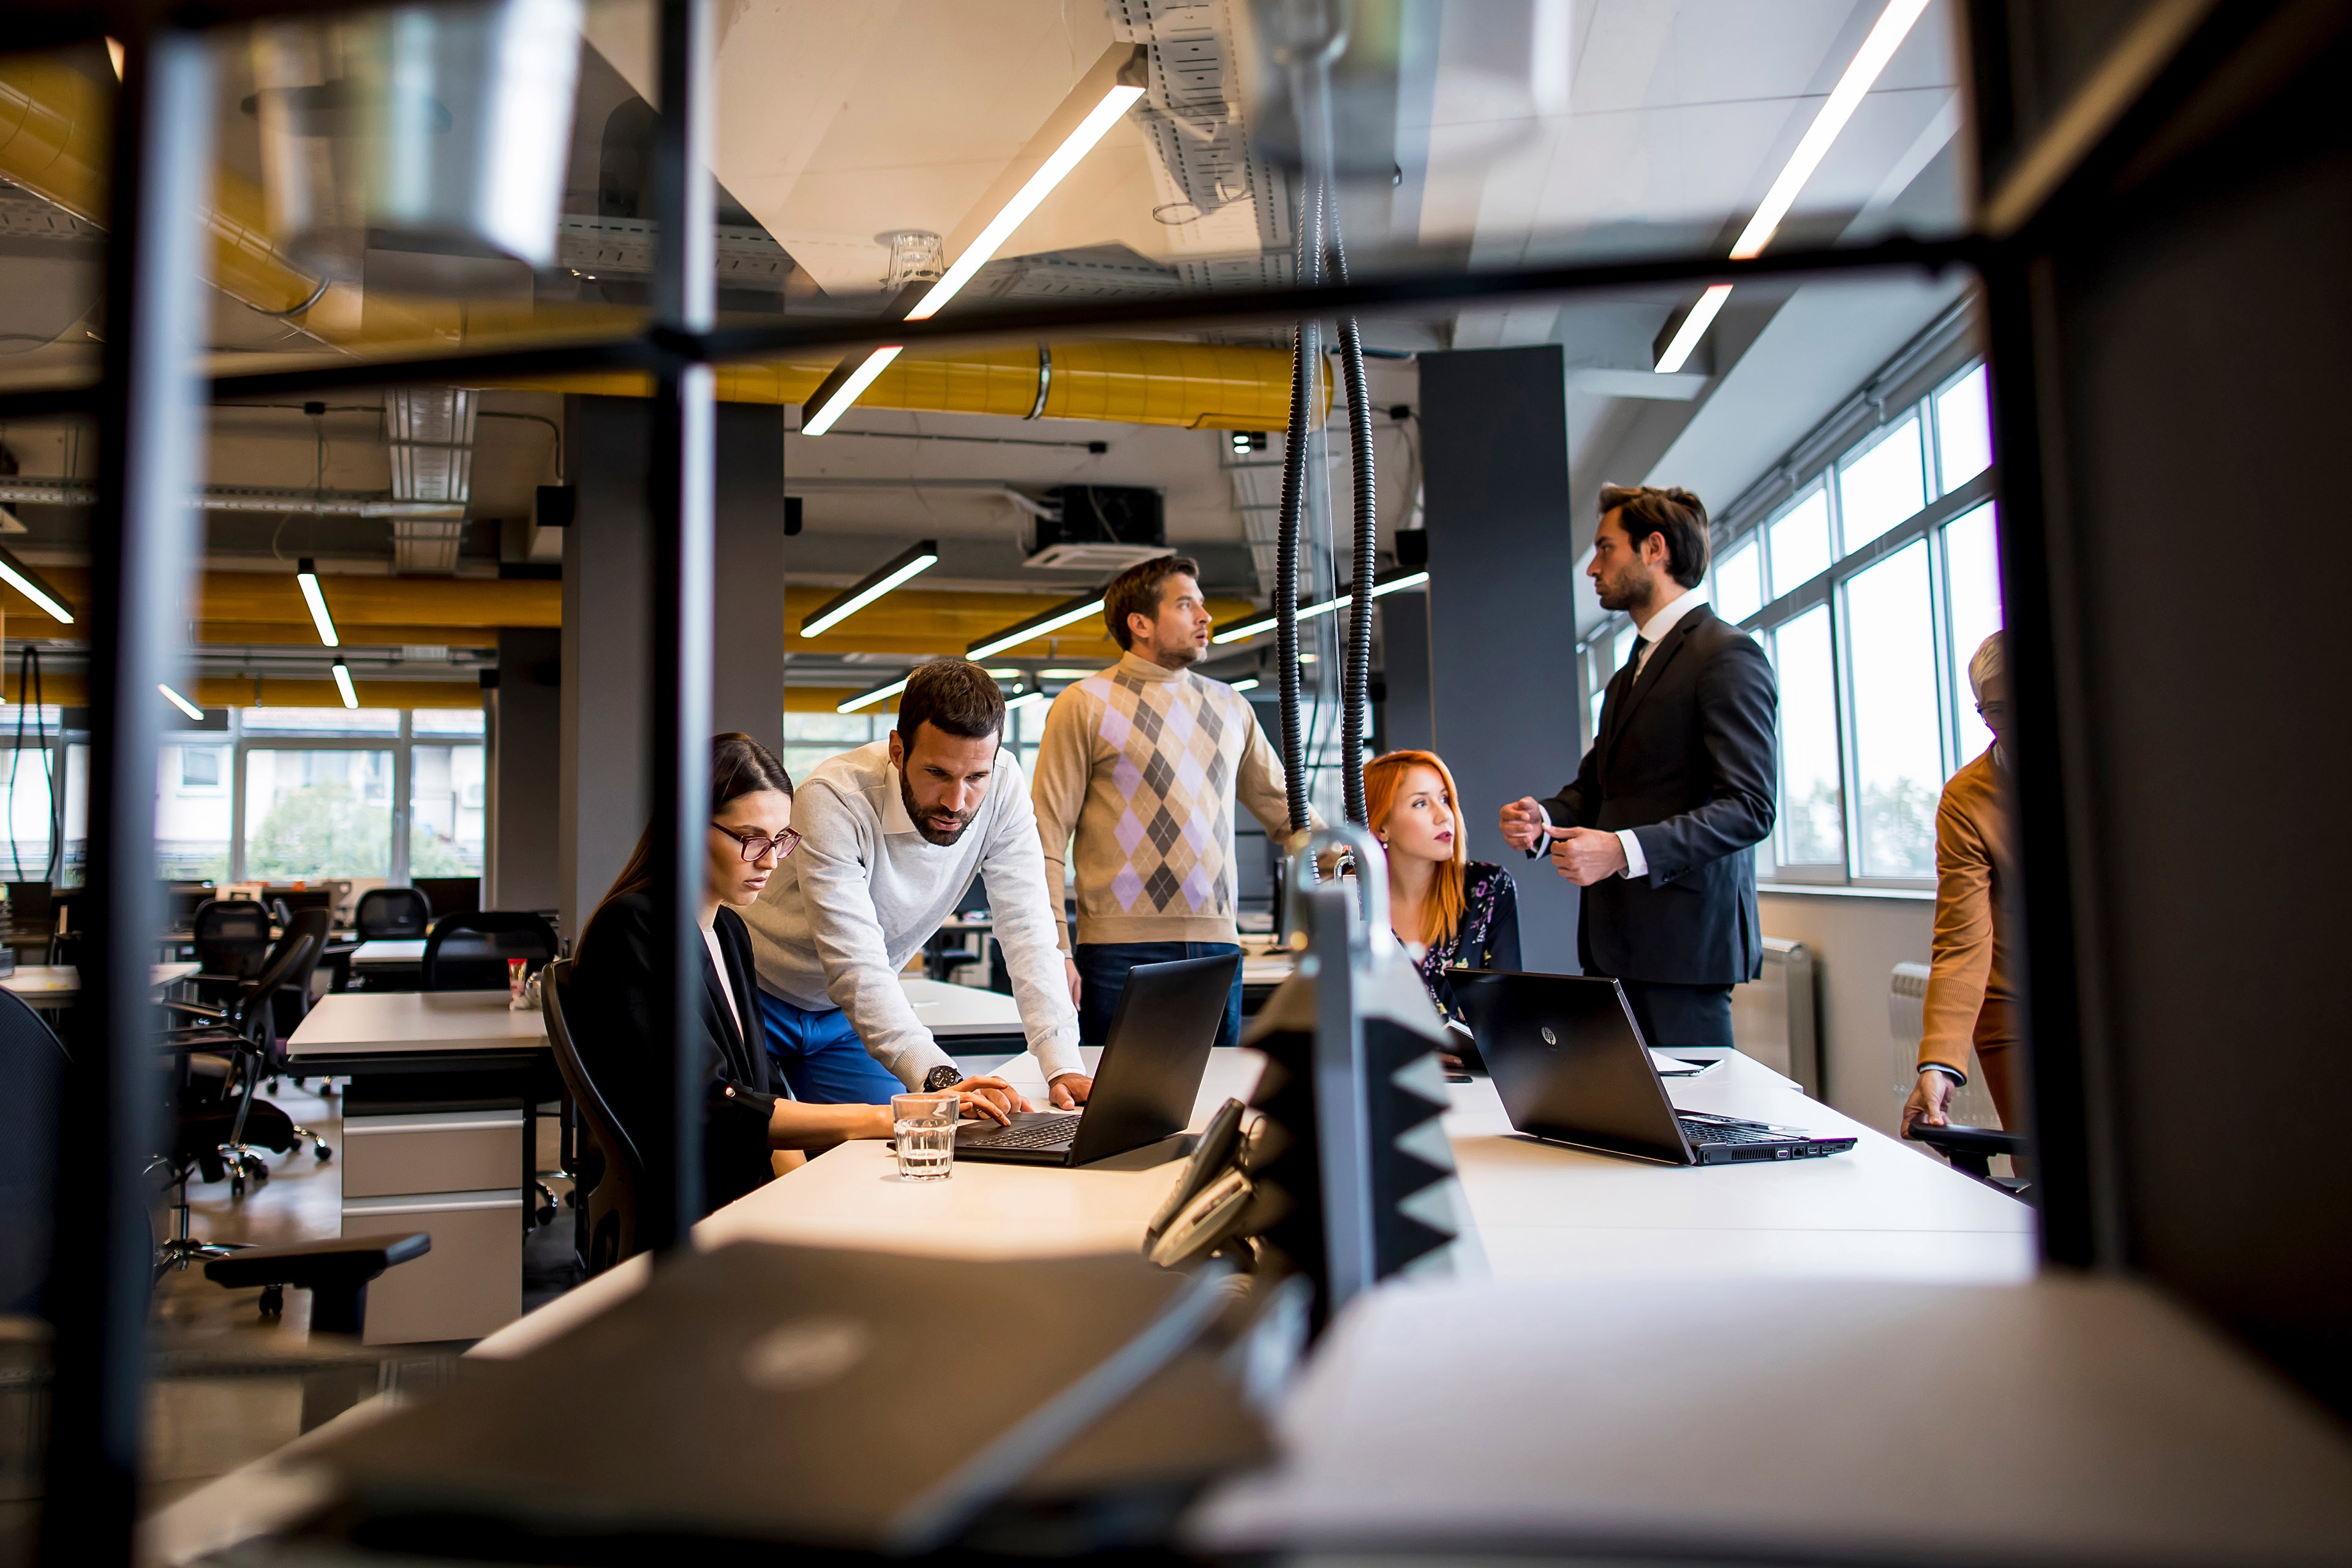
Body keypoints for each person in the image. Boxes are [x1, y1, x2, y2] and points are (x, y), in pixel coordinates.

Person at [567, 733, 1025, 1217]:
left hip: (737, 1195)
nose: (769, 861)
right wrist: (892, 1116)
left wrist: (802, 1197)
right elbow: (717, 1108)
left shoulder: (728, 931)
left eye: (781, 840)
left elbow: (761, 1100)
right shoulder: (638, 928)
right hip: (686, 1214)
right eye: (751, 840)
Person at [741, 660, 1092, 1110]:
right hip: (756, 997)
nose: (956, 802)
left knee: (876, 1157)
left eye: (975, 778)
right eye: (937, 774)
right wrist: (941, 1079)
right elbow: (856, 962)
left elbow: (1027, 925)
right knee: (750, 1159)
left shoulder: (1004, 785)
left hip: (842, 1017)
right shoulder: (834, 798)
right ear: (897, 751)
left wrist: (1063, 1064)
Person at [1498, 484, 1776, 1050]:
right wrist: (1543, 820)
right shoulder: (1630, 674)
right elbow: (1596, 787)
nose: (1593, 568)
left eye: (1606, 548)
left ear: (1655, 549)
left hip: (1684, 954)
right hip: (1614, 946)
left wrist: (1622, 850)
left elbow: (1751, 808)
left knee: (1689, 1129)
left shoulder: (1726, 655)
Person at [1031, 554, 1305, 1050]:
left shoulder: (1231, 706)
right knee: (1118, 1108)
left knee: (1216, 1103)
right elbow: (1045, 838)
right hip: (1118, 950)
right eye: (1185, 605)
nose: (1205, 617)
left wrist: (1365, 855)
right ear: (1140, 623)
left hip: (1217, 944)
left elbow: (1289, 814)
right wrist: (1056, 951)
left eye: (1202, 605)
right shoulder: (1084, 703)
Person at [1904, 633, 2021, 1134]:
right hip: (2015, 1004)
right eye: (1998, 709)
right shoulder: (1967, 798)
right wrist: (1940, 1061)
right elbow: (1962, 940)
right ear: (1981, 714)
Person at [1366, 750, 1518, 1060]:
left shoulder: (1488, 889)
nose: (1443, 815)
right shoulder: (1352, 903)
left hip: (1480, 1088)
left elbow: (1509, 1015)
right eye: (1421, 803)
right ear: (1382, 826)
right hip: (1387, 1090)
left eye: (1445, 799)